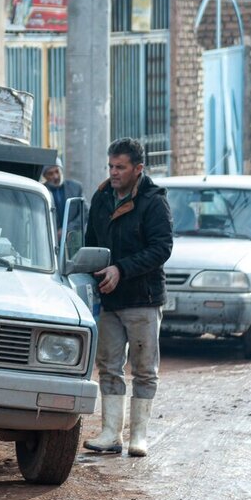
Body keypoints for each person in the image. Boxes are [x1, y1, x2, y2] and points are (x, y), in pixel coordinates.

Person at [83, 138, 173, 457]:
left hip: (143, 300)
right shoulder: (102, 197)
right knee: (108, 365)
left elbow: (162, 249)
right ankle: (110, 434)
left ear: (138, 169)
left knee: (144, 369)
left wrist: (121, 269)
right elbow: (90, 241)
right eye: (110, 166)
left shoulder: (154, 200)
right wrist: (90, 271)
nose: (114, 172)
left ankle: (139, 436)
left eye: (120, 167)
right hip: (109, 300)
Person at [41, 156, 84, 240]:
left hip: (72, 239)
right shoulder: (41, 191)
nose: (56, 176)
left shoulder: (76, 188)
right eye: (50, 173)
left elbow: (84, 213)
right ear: (45, 176)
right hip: (49, 239)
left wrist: (67, 229)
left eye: (57, 171)